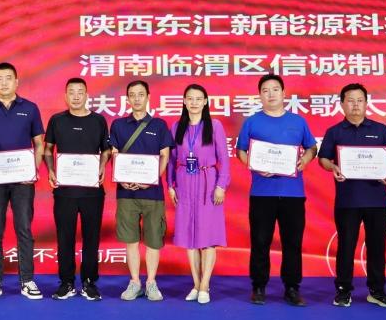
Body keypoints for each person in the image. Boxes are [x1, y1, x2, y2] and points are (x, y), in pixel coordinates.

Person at [317, 83, 386, 308]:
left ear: (366, 103)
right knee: (346, 246)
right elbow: (323, 158)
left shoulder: (380, 129)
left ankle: (377, 291)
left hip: (377, 199)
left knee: (377, 247)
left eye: (360, 100)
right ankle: (343, 290)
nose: (355, 105)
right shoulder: (335, 131)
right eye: (350, 100)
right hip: (348, 200)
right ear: (342, 104)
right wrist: (332, 167)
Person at [236, 73, 317, 306]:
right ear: (259, 95)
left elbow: (312, 148)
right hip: (262, 193)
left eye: (275, 89)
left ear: (283, 93)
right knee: (260, 241)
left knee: (292, 242)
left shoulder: (298, 122)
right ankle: (259, 286)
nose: (270, 94)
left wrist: (305, 160)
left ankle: (292, 287)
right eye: (265, 90)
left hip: (293, 193)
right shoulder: (252, 122)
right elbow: (241, 151)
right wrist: (254, 165)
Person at [0, 62, 46, 301]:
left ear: (17, 81)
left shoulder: (30, 108)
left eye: (8, 78)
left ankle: (27, 279)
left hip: (22, 181)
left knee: (24, 229)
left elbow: (39, 144)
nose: (4, 82)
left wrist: (33, 170)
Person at [44, 77, 110, 301]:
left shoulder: (98, 121)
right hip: (65, 191)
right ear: (65, 96)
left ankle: (89, 282)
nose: (75, 96)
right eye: (71, 92)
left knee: (91, 237)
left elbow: (106, 150)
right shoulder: (57, 120)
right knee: (65, 238)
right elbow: (47, 149)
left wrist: (102, 166)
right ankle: (67, 282)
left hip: (92, 190)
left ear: (86, 95)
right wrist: (51, 170)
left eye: (80, 92)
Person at [109, 80, 174, 301]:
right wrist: (122, 178)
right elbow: (114, 154)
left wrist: (153, 178)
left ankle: (151, 282)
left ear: (148, 97)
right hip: (126, 193)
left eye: (140, 94)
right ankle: (135, 281)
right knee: (131, 240)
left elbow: (165, 155)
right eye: (132, 95)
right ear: (127, 98)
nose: (136, 99)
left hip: (153, 193)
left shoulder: (159, 125)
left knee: (154, 240)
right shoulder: (118, 125)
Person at [166, 84, 230, 304]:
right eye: (190, 98)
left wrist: (221, 185)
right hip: (184, 182)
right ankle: (195, 284)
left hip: (207, 182)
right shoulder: (177, 127)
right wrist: (170, 185)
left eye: (198, 99)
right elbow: (172, 159)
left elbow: (224, 159)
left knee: (207, 236)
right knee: (189, 237)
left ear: (205, 102)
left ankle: (205, 286)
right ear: (184, 101)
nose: (194, 103)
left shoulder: (215, 126)